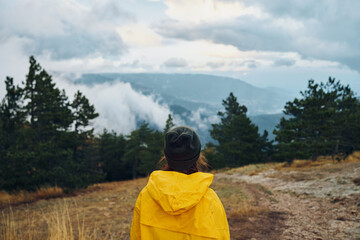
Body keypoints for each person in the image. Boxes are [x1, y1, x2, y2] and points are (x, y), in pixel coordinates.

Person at [130, 126, 230, 239]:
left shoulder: (146, 196)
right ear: (197, 157)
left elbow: (136, 236)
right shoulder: (211, 199)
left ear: (166, 157)